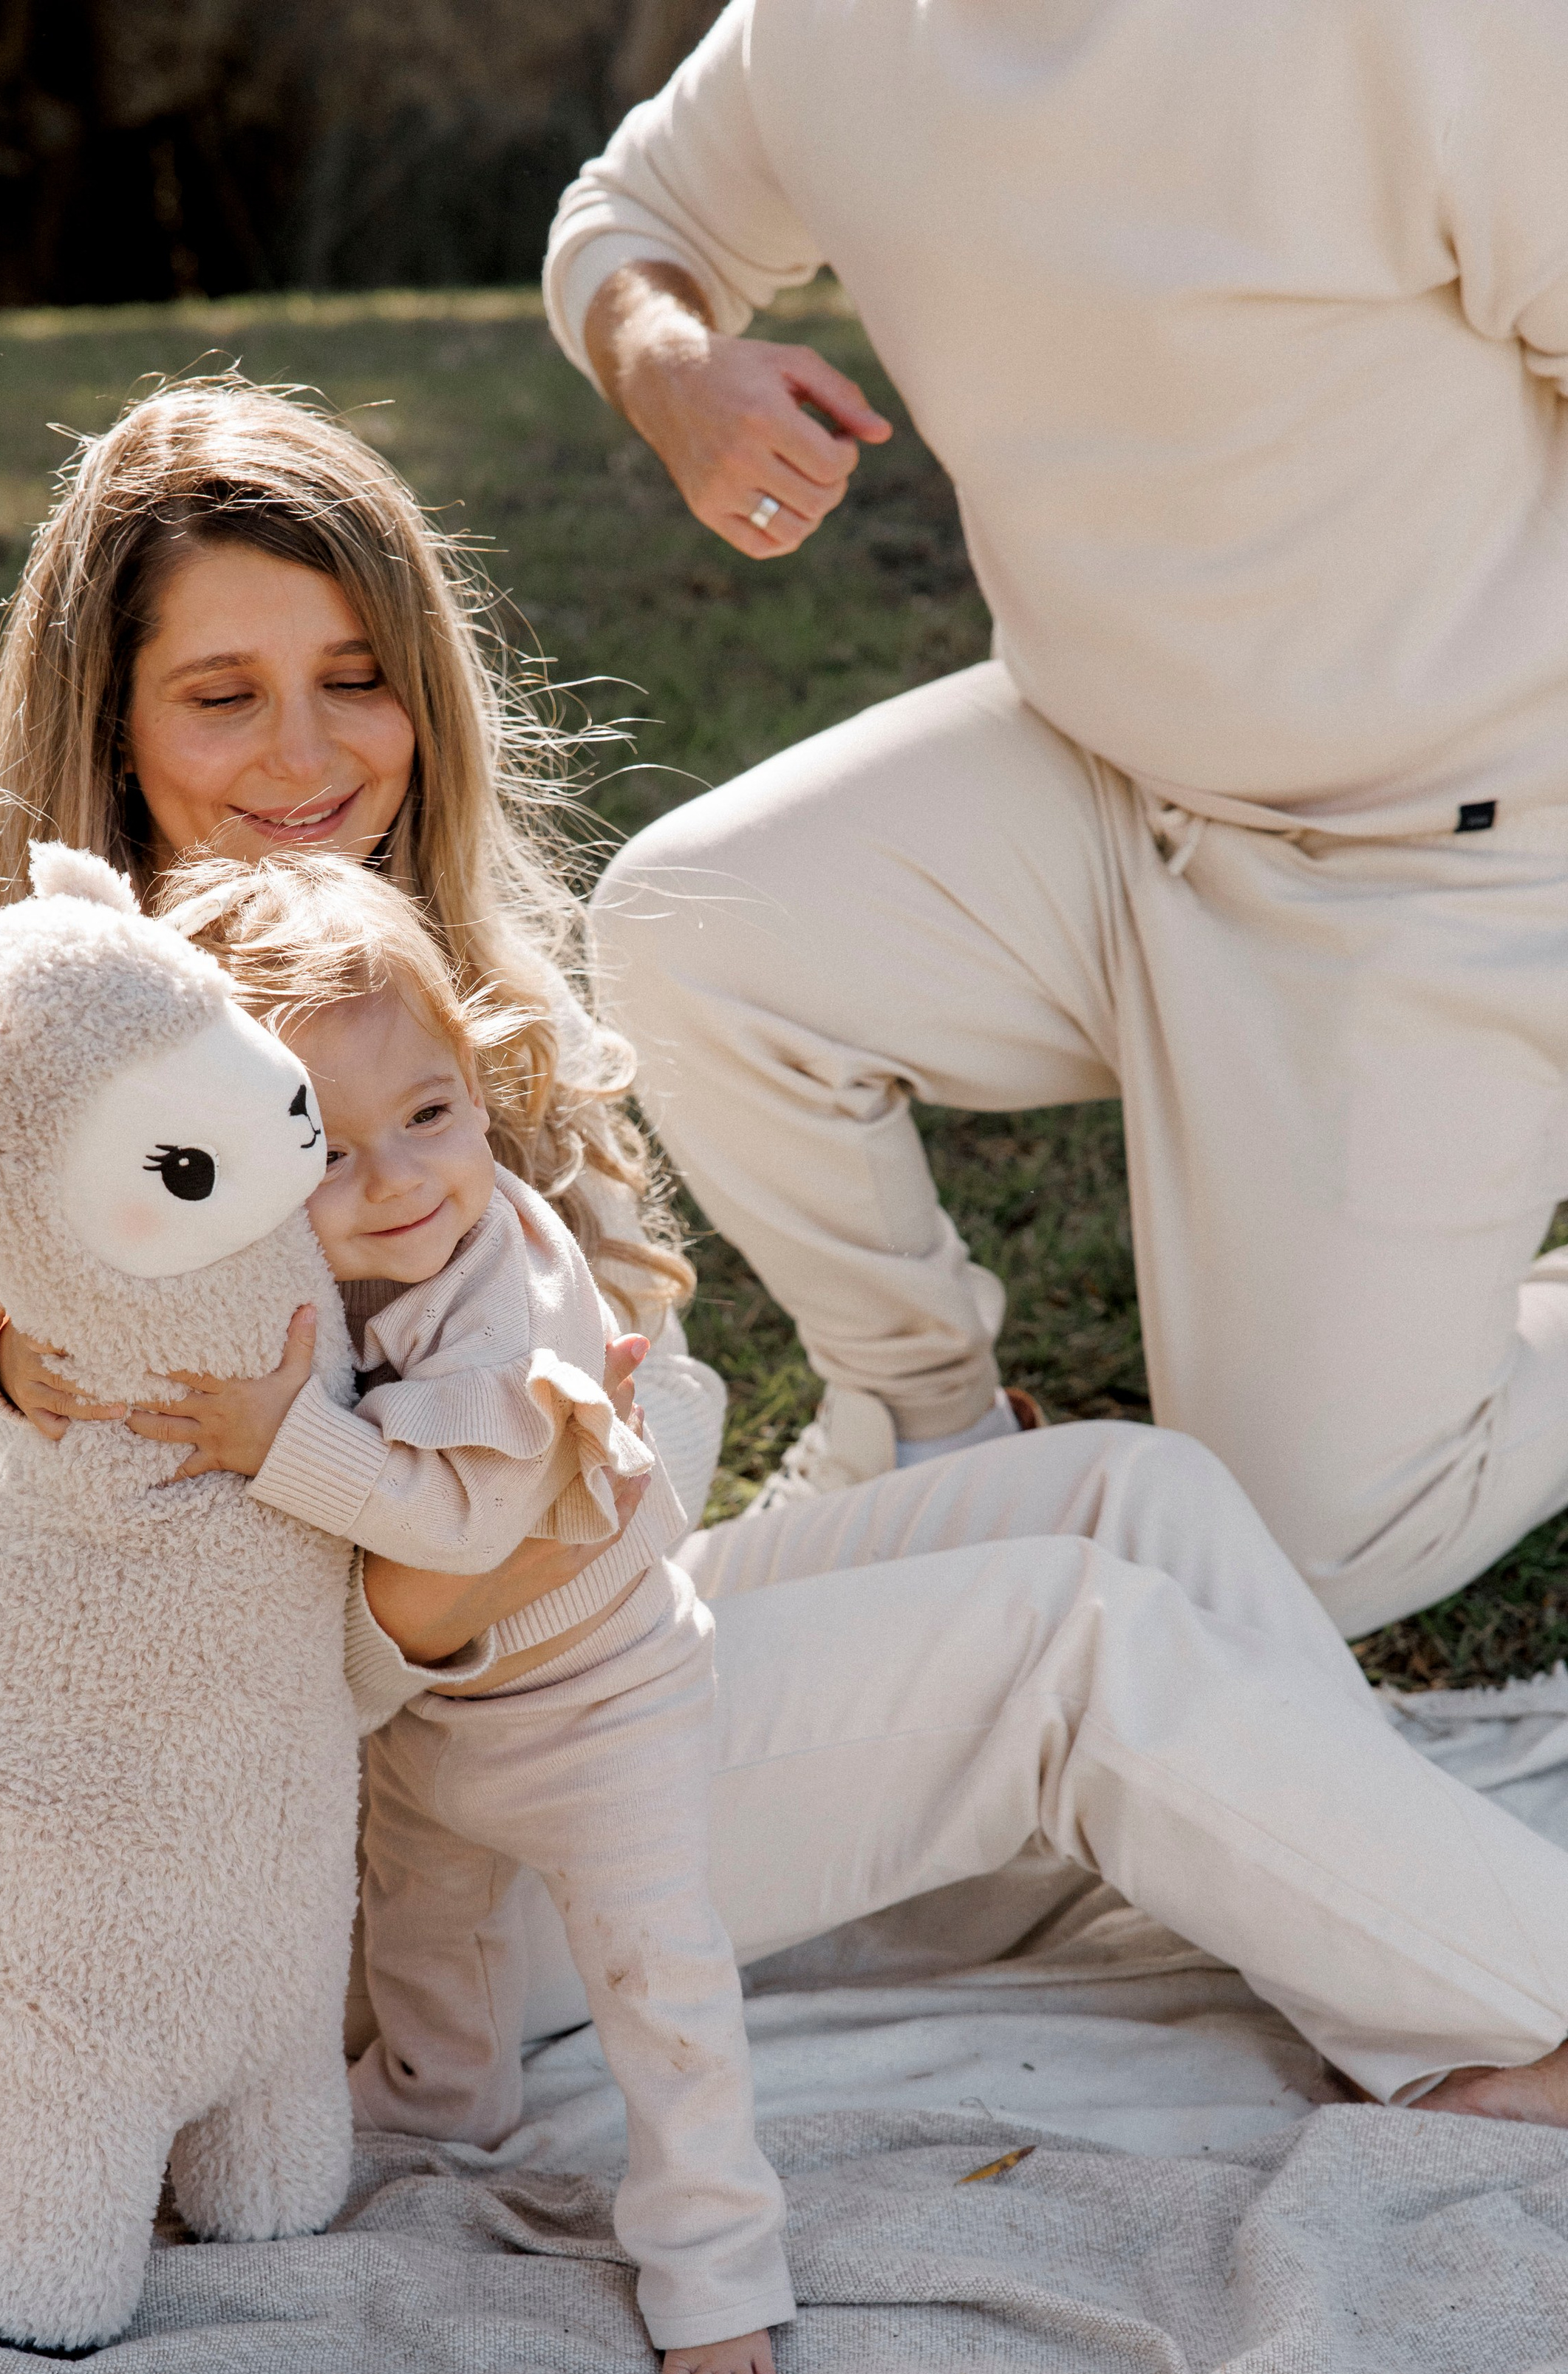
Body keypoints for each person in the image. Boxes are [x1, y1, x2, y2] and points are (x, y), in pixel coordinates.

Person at [0, 380, 1568, 2374]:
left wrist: (581, 1478)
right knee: (1068, 1647)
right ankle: (1525, 1995)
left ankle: (1403, 1939)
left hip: (559, 1640)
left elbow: (653, 1446)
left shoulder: (393, 998)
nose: (306, 756)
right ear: (105, 728)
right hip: (408, 1859)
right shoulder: (93, 1131)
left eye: (356, 679)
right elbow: (229, 1652)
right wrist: (530, 1516)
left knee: (1135, 1501)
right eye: (221, 695)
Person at [545, 0, 1568, 1637]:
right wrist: (671, 367)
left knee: (1304, 1554)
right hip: (1094, 778)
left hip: (1449, 855)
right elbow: (628, 217)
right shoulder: (830, 29)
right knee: (686, 930)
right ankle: (926, 1428)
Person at [137, 847, 791, 2374]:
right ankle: (438, 2108)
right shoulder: (333, 1252)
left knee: (659, 1980)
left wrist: (268, 1438)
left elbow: (452, 1525)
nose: (400, 1181)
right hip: (439, 1718)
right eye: (333, 1151)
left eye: (429, 1115)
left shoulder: (500, 1303)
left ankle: (717, 2273)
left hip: (599, 1701)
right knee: (423, 1929)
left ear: (471, 1076)